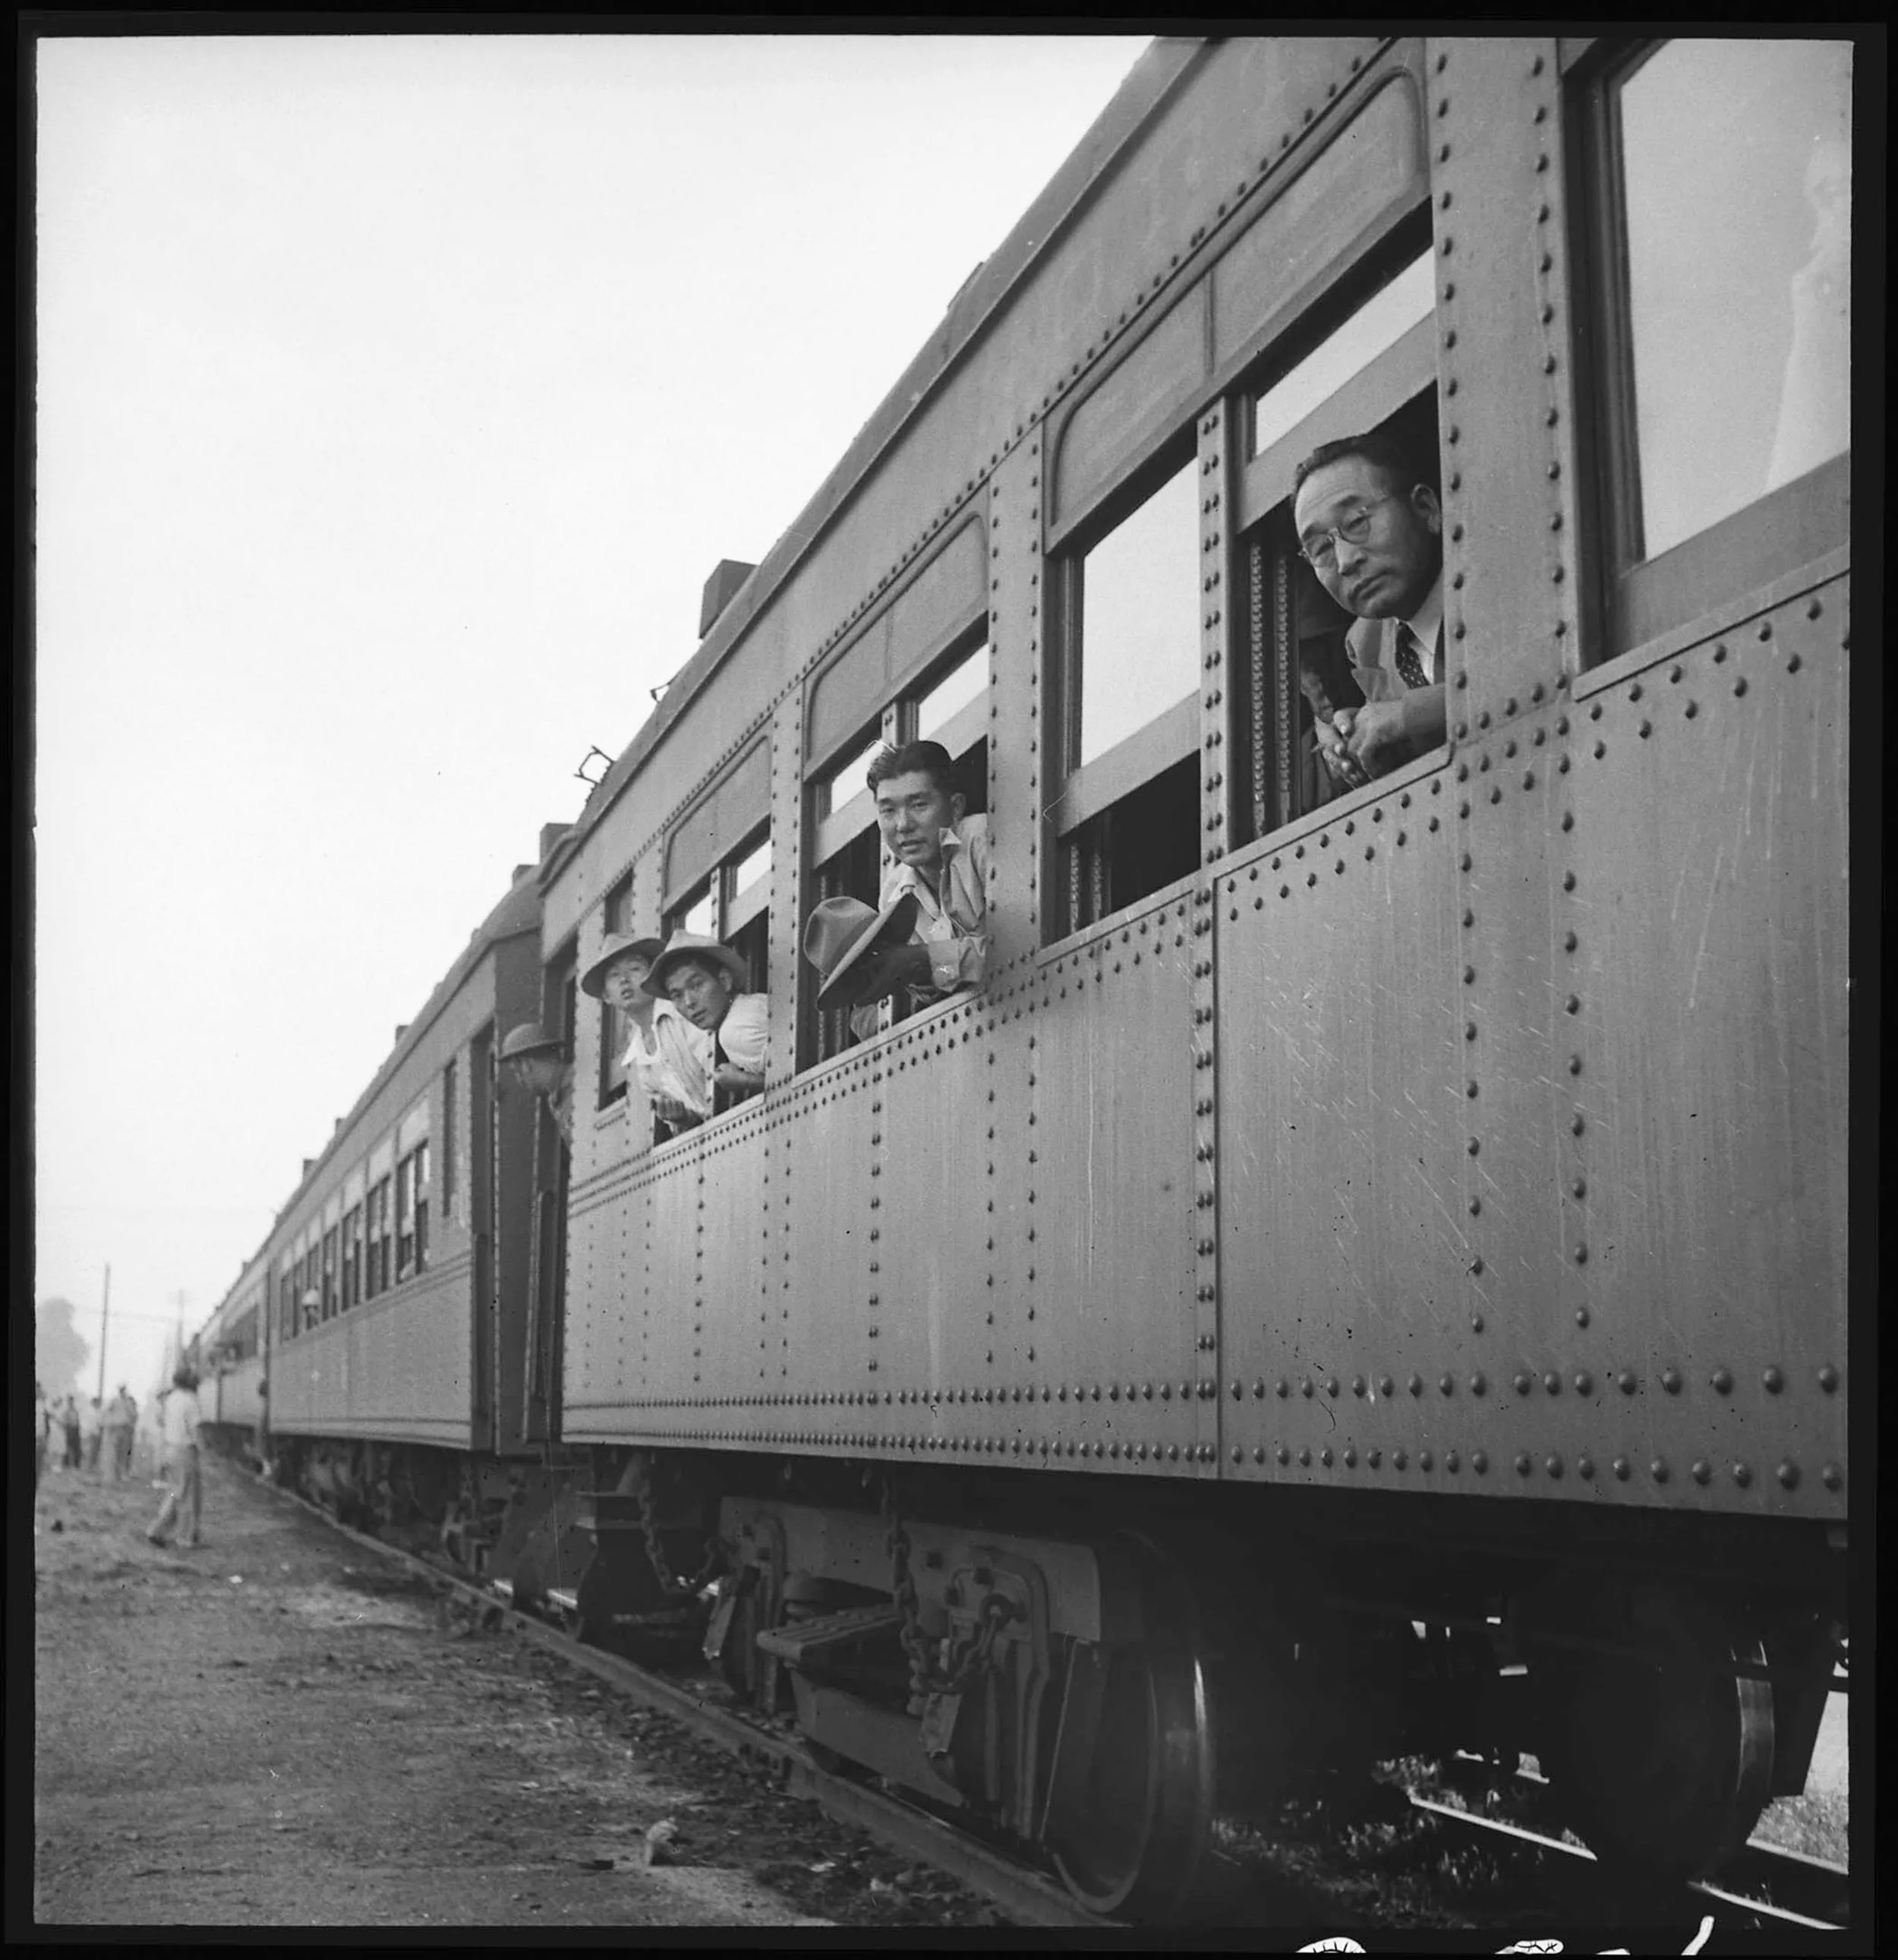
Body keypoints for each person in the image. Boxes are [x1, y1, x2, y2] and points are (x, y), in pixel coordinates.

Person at [1291, 431, 1447, 788]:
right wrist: (1355, 739)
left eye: (1357, 523)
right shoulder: (1366, 644)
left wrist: (1408, 718)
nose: (1345, 561)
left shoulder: (1494, 576)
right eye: (1320, 549)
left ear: (1427, 509)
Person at [838, 740, 992, 1040]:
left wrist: (925, 960)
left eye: (919, 805)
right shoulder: (894, 893)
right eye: (888, 810)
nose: (903, 825)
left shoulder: (981, 839)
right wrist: (928, 971)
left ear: (955, 808)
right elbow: (947, 980)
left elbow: (1017, 948)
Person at [580, 932, 713, 1137]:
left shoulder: (683, 1013)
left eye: (634, 969)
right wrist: (683, 1120)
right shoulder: (640, 1059)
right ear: (606, 996)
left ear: (652, 977)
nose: (624, 980)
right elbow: (690, 1121)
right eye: (614, 975)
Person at [641, 936, 768, 1114]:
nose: (689, 1002)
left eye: (697, 985)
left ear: (725, 981)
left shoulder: (734, 1031)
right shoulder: (751, 1005)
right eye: (677, 995)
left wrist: (743, 1080)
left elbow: (787, 1079)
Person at [147, 1364, 203, 1549]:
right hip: (185, 1451)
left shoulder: (170, 1400)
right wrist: (201, 1449)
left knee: (175, 1492)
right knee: (187, 1496)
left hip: (170, 1450)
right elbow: (195, 1429)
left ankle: (158, 1530)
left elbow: (162, 1422)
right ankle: (184, 1537)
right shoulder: (190, 1401)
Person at [500, 1022, 574, 1151]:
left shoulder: (577, 1087)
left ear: (526, 1064)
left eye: (516, 1072)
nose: (519, 1080)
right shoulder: (556, 1098)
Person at [104, 1384, 137, 1483]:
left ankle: (122, 1474)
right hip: (116, 1428)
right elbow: (107, 1412)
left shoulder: (128, 1402)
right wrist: (110, 1424)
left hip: (125, 1428)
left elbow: (133, 1414)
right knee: (115, 1452)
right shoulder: (114, 1401)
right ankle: (114, 1474)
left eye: (124, 1390)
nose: (123, 1392)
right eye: (121, 1390)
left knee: (123, 1452)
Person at [80, 1393, 103, 1475]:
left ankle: (93, 1467)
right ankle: (88, 1468)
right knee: (90, 1452)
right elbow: (88, 1424)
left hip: (97, 1434)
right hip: (91, 1434)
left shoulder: (99, 1412)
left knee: (95, 1452)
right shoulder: (90, 1412)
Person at [61, 1392, 83, 1471]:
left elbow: (78, 1420)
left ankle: (76, 1464)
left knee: (76, 1447)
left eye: (72, 1400)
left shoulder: (75, 1409)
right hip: (69, 1429)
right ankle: (66, 1463)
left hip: (75, 1429)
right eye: (69, 1400)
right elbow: (65, 1420)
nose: (71, 1402)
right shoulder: (66, 1410)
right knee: (67, 1446)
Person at [34, 1381, 49, 1494]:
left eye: (38, 1389)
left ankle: (36, 1485)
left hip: (40, 1436)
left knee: (39, 1463)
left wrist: (45, 1437)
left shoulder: (42, 1404)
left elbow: (45, 1423)